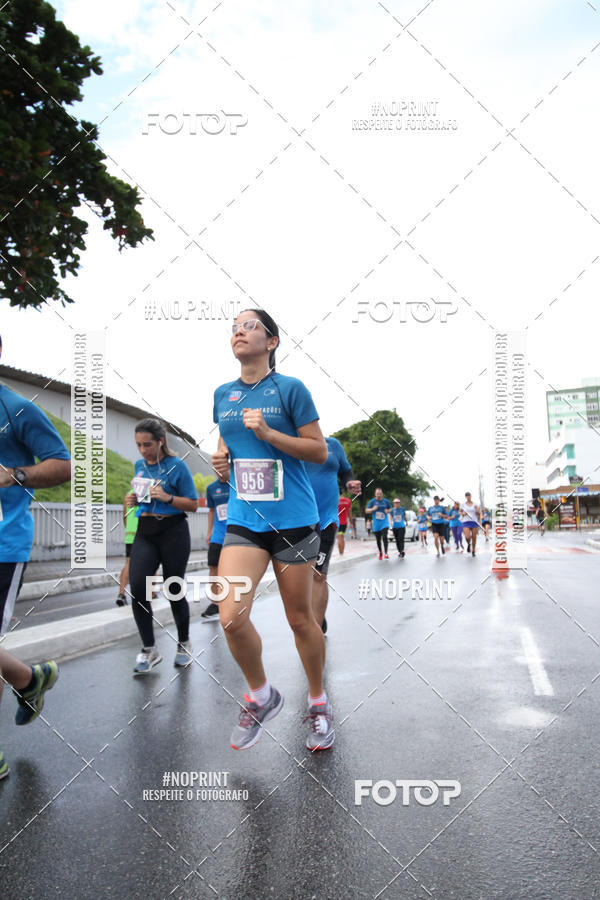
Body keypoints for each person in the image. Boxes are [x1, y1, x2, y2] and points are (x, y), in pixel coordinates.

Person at [211, 308, 334, 752]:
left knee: (300, 619)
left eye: (249, 326)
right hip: (245, 518)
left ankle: (318, 704)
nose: (239, 332)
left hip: (293, 521)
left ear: (272, 341)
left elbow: (318, 451)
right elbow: (227, 443)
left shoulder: (291, 389)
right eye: (234, 328)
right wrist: (221, 460)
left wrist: (269, 434)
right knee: (230, 617)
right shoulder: (222, 394)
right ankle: (261, 695)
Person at [0, 334, 71, 779]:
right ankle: (29, 678)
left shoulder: (17, 409)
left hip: (3, 544)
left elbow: (62, 463)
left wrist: (15, 474)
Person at [127, 418, 199, 674]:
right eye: (138, 445)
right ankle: (149, 649)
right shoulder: (138, 465)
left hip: (173, 531)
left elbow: (193, 504)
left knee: (173, 587)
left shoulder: (176, 466)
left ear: (161, 442)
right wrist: (133, 499)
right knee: (138, 587)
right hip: (146, 531)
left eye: (148, 444)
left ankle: (184, 643)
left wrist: (167, 497)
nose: (143, 450)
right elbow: (140, 498)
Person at [305, 438, 361, 635]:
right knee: (300, 576)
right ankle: (312, 614)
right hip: (296, 519)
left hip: (326, 519)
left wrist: (349, 481)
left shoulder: (333, 445)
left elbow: (345, 470)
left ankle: (314, 632)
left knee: (318, 574)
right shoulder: (288, 441)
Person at [200, 477, 231, 622]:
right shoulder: (211, 488)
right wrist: (208, 531)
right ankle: (215, 603)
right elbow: (211, 511)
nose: (220, 470)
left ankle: (232, 602)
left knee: (232, 570)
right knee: (213, 566)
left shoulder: (236, 484)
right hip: (218, 536)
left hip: (235, 534)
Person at [366, 488, 392, 559]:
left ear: (382, 494)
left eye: (380, 494)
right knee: (378, 539)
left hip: (384, 522)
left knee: (384, 537)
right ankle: (380, 552)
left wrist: (387, 510)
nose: (379, 495)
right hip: (376, 524)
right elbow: (367, 510)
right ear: (375, 494)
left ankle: (386, 552)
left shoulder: (386, 501)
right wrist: (373, 509)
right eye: (377, 494)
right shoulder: (372, 502)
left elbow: (391, 509)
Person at [460, 491, 480, 557]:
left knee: (474, 537)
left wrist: (477, 510)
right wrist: (463, 513)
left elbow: (479, 513)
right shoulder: (463, 505)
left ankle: (473, 550)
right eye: (467, 496)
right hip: (466, 521)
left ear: (471, 496)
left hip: (474, 521)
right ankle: (468, 544)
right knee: (467, 536)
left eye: (469, 496)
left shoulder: (475, 504)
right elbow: (460, 512)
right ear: (466, 497)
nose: (468, 497)